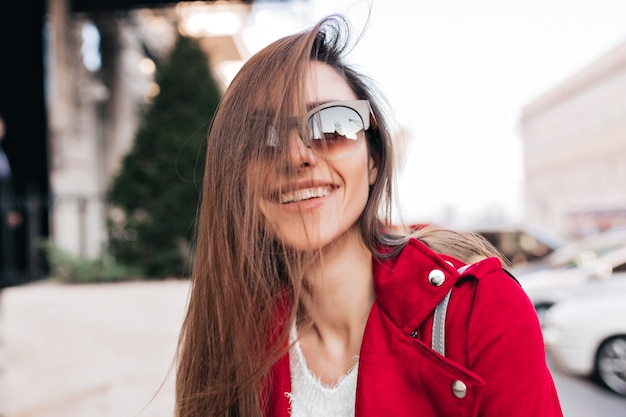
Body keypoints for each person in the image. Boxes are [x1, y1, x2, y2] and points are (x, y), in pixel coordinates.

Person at [175, 14, 563, 417]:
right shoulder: (234, 332)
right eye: (261, 136)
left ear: (373, 160)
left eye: (332, 125)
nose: (297, 156)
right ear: (237, 176)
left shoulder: (483, 312)